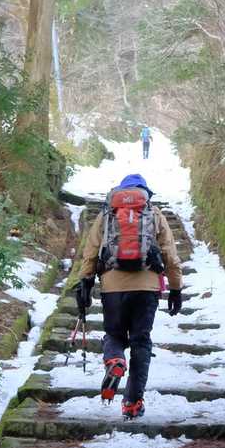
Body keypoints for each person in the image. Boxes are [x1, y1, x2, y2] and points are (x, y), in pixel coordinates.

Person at [74, 173, 183, 419]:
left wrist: (85, 281)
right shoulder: (153, 213)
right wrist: (176, 288)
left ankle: (115, 360)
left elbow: (90, 252)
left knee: (114, 334)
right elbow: (169, 253)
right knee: (141, 341)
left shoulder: (107, 214)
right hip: (147, 288)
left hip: (113, 287)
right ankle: (132, 402)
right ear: (145, 193)